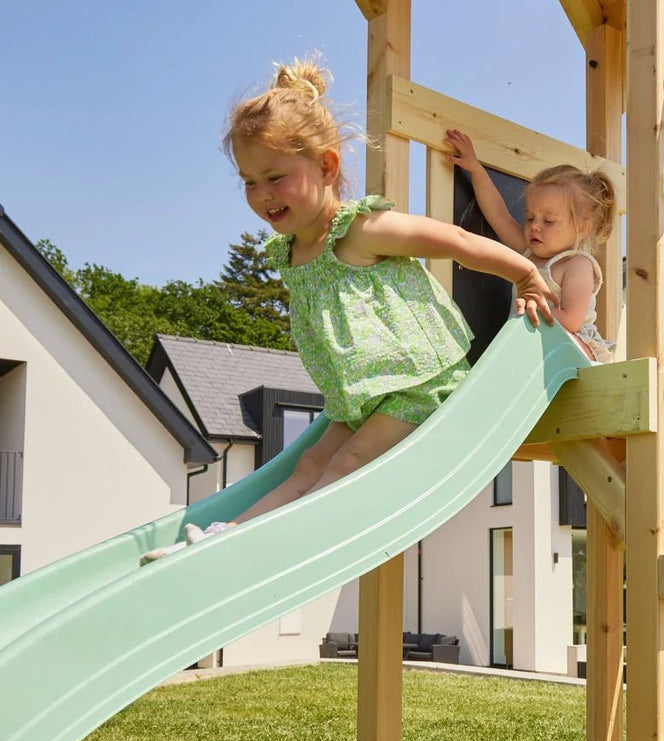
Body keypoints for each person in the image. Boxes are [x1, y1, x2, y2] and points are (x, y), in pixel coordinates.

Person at [142, 59, 555, 563]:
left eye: (274, 177)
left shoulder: (361, 230)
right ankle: (226, 538)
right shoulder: (291, 253)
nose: (262, 195)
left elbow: (458, 241)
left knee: (347, 462)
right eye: (249, 182)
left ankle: (274, 548)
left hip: (418, 388)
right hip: (360, 401)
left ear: (327, 168)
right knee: (307, 467)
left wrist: (527, 275)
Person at [444, 128, 617, 364]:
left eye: (549, 221)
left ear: (582, 228)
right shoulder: (527, 254)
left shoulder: (577, 264)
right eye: (530, 217)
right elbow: (500, 216)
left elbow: (572, 320)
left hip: (574, 348)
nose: (535, 226)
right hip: (533, 346)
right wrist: (476, 170)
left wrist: (523, 321)